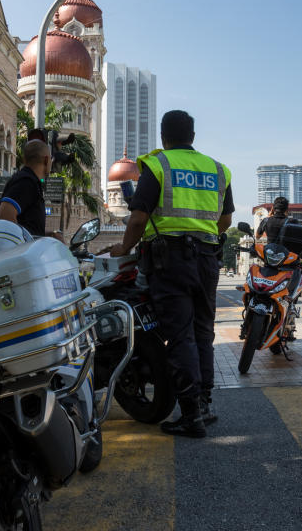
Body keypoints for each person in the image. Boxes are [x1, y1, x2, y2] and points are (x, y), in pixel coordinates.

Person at [107, 110, 233, 438]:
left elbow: (137, 219)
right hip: (206, 259)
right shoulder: (218, 169)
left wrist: (124, 248)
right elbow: (226, 220)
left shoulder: (158, 165)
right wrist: (204, 234)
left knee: (179, 335)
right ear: (192, 136)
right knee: (203, 332)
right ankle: (204, 405)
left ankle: (190, 414)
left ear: (164, 137)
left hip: (170, 261)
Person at [0, 139, 63, 241]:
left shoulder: (30, 181)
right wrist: (22, 246)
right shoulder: (26, 181)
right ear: (46, 160)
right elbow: (5, 213)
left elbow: (28, 229)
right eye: (51, 159)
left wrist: (48, 235)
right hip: (20, 256)